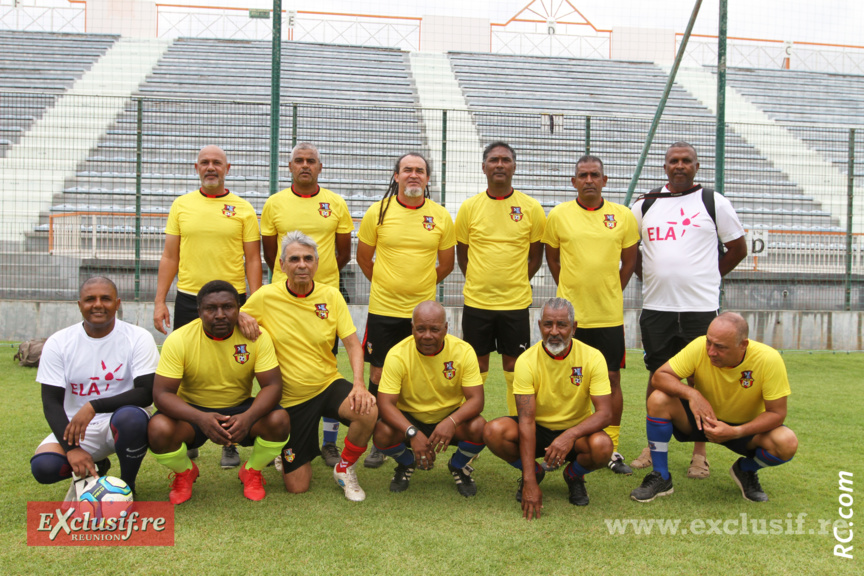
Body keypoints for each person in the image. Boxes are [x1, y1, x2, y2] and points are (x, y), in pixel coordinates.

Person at [630, 141, 747, 479]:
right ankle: (652, 447)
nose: (679, 166)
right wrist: (649, 276)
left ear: (697, 166)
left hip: (700, 308)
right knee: (658, 374)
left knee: (701, 376)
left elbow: (737, 248)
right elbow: (628, 249)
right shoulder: (645, 204)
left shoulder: (713, 201)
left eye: (686, 161)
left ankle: (700, 451)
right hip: (657, 307)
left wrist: (710, 276)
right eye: (673, 161)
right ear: (665, 167)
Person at [239, 231, 378, 502]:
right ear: (282, 265)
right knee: (297, 486)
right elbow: (235, 314)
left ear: (316, 263)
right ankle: (279, 450)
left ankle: (344, 468)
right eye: (294, 259)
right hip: (291, 399)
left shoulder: (332, 296)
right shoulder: (266, 296)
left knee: (367, 410)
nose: (301, 264)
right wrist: (240, 316)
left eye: (308, 258)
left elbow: (352, 344)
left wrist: (359, 385)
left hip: (327, 384)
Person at [153, 144, 263, 469]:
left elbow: (253, 259)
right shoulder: (181, 205)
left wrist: (254, 305)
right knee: (187, 369)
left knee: (234, 367)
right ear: (196, 167)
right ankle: (190, 435)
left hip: (233, 302)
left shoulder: (243, 208)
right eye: (205, 162)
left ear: (228, 168)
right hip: (189, 299)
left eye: (217, 162)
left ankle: (230, 440)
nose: (210, 167)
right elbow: (170, 256)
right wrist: (159, 300)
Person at [630, 313, 797, 503]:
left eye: (720, 347)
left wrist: (735, 432)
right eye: (709, 342)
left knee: (787, 442)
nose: (711, 351)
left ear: (743, 345)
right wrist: (693, 394)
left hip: (745, 430)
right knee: (658, 399)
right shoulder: (699, 346)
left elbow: (777, 413)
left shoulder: (768, 359)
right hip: (702, 421)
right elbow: (660, 376)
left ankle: (746, 469)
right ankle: (661, 476)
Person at [356, 152, 456, 467]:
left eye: (420, 170)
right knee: (378, 373)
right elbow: (363, 259)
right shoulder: (378, 212)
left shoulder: (440, 215)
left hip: (422, 316)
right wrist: (389, 285)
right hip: (384, 309)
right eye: (407, 169)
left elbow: (447, 264)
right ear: (396, 176)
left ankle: (413, 430)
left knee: (417, 372)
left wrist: (418, 287)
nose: (414, 175)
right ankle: (379, 438)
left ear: (428, 178)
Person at [148, 280, 289, 503]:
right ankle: (184, 472)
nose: (220, 315)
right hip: (192, 412)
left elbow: (273, 386)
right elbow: (162, 394)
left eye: (228, 307)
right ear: (199, 312)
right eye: (211, 309)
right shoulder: (179, 339)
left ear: (239, 309)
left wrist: (248, 416)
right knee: (158, 428)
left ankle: (252, 470)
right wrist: (200, 418)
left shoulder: (256, 336)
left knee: (279, 420)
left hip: (240, 408)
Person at [260, 142, 354, 467]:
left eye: (310, 160)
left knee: (327, 367)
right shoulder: (274, 204)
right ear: (290, 167)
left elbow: (344, 252)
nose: (304, 165)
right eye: (298, 160)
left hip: (323, 302)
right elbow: (270, 254)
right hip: (283, 302)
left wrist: (318, 281)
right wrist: (293, 277)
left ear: (319, 167)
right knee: (281, 368)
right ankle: (282, 437)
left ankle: (329, 443)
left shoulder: (335, 203)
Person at [544, 155, 638, 475]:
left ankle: (611, 446)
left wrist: (611, 290)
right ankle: (561, 442)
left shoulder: (622, 216)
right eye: (582, 175)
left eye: (594, 175)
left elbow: (630, 261)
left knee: (611, 379)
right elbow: (553, 259)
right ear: (573, 182)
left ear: (604, 180)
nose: (588, 180)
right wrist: (569, 293)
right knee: (564, 379)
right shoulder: (559, 215)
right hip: (570, 319)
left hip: (608, 316)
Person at [483, 298, 613, 520]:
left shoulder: (592, 357)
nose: (554, 332)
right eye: (548, 324)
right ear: (539, 325)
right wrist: (529, 481)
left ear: (574, 327)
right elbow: (526, 420)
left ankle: (574, 475)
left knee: (602, 446)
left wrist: (569, 435)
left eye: (561, 325)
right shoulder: (526, 360)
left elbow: (605, 413)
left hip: (576, 433)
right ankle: (535, 472)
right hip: (537, 431)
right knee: (493, 431)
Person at [31, 277, 159, 495]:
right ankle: (98, 465)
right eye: (90, 299)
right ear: (80, 305)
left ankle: (127, 485)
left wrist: (94, 406)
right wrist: (72, 449)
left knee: (131, 419)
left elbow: (146, 392)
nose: (98, 304)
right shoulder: (59, 342)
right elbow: (51, 402)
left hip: (120, 422)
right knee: (45, 468)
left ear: (117, 304)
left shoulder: (138, 337)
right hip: (78, 428)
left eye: (105, 299)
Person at [455, 141, 545, 417]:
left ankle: (518, 425)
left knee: (515, 368)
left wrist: (515, 280)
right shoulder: (469, 207)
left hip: (515, 304)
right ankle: (469, 428)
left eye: (505, 160)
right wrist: (480, 280)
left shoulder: (531, 208)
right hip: (477, 303)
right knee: (475, 368)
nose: (500, 165)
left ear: (514, 167)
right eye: (494, 160)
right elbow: (462, 255)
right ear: (484, 167)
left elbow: (536, 257)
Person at [372, 301, 486, 497]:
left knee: (480, 428)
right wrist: (412, 432)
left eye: (434, 329)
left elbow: (477, 399)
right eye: (420, 329)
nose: (427, 336)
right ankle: (407, 463)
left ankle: (458, 466)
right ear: (412, 328)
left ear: (446, 328)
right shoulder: (397, 354)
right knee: (381, 433)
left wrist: (451, 421)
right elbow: (385, 404)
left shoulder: (463, 350)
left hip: (449, 417)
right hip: (409, 418)